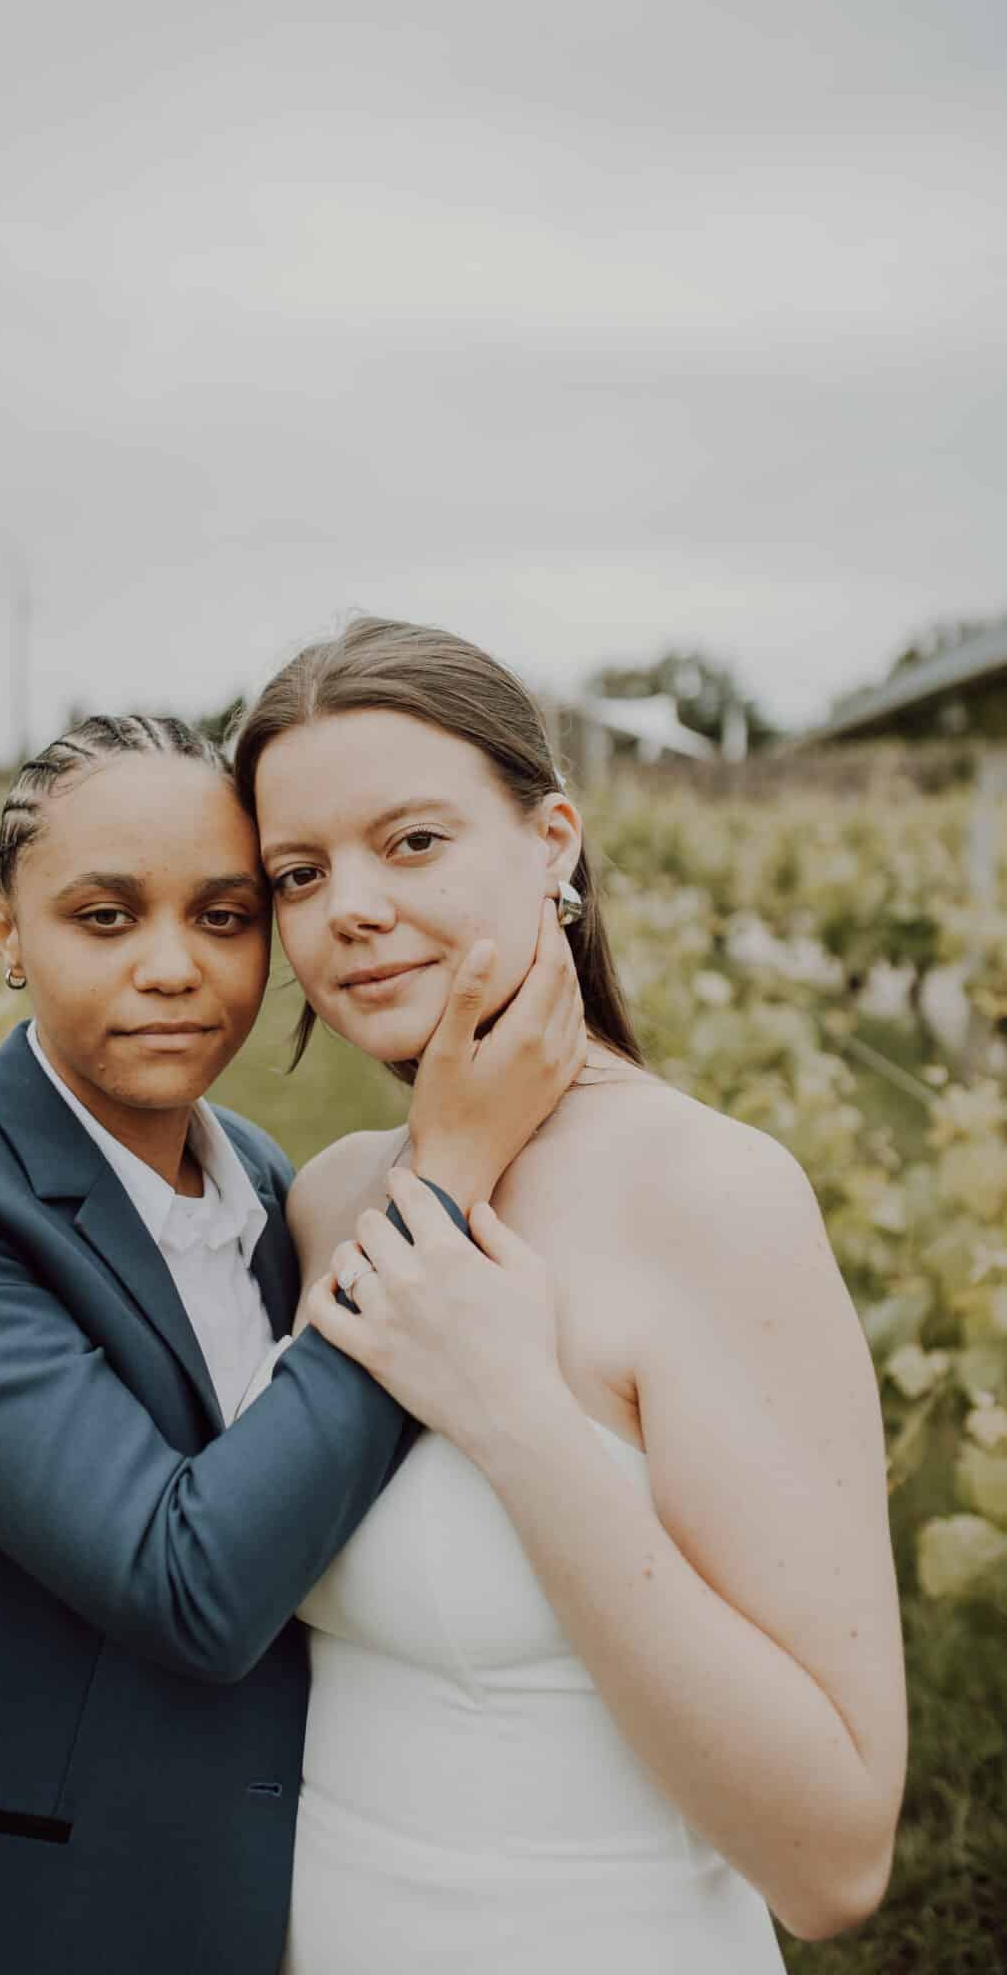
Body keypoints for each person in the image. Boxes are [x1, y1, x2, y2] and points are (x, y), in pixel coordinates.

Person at [0, 712, 585, 1975]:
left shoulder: (270, 1184)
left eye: (225, 915)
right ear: (9, 931)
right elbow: (190, 1583)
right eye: (106, 915)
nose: (174, 966)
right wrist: (444, 1171)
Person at [231, 616, 907, 1973]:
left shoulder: (712, 1196)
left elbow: (833, 1860)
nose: (347, 906)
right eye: (298, 873)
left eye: (411, 841)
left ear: (552, 846)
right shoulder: (325, 1198)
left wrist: (515, 1416)